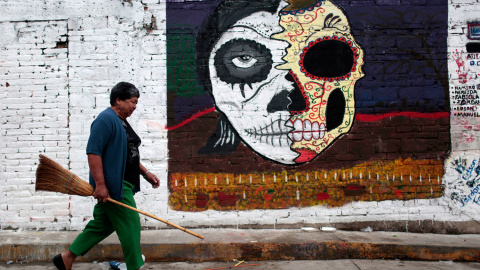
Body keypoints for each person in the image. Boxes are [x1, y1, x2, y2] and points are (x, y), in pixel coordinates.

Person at [52, 82, 160, 270]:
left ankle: (66, 257)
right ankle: (135, 266)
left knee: (102, 225)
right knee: (131, 224)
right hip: (115, 186)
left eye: (136, 103)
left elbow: (127, 153)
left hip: (121, 183)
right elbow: (94, 153)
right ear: (118, 100)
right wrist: (100, 185)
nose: (135, 106)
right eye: (132, 102)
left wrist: (145, 173)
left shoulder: (120, 121)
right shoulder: (105, 120)